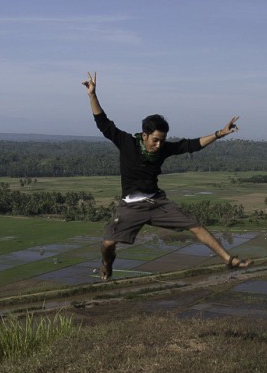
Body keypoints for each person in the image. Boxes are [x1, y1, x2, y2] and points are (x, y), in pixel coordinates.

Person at [82, 71, 253, 280]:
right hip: (130, 206)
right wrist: (92, 95)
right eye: (155, 140)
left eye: (162, 140)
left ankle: (229, 260)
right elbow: (103, 123)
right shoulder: (126, 142)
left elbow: (191, 145)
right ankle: (107, 264)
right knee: (108, 243)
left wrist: (219, 133)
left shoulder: (163, 149)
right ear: (144, 135)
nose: (159, 144)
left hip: (157, 203)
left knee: (196, 226)